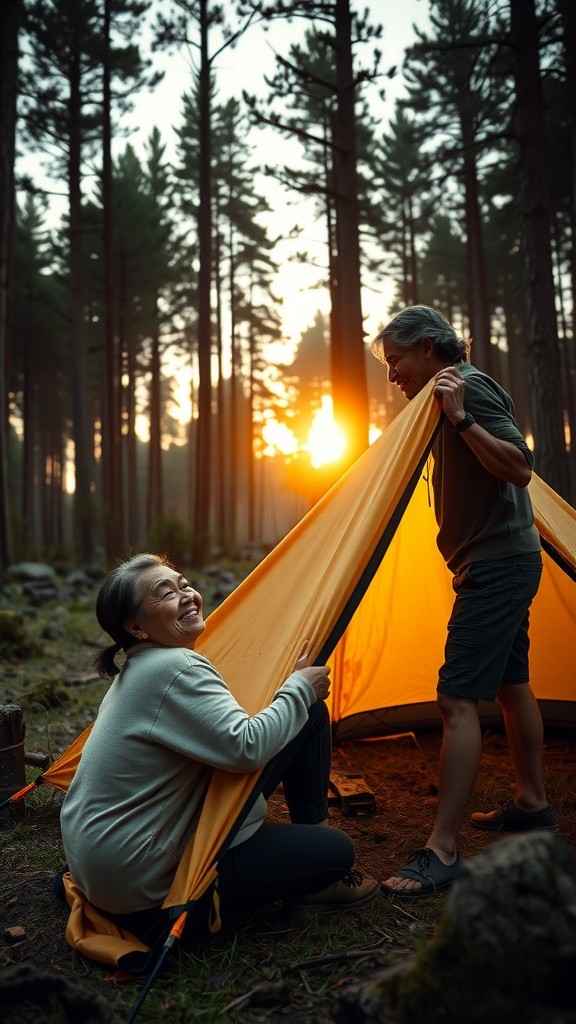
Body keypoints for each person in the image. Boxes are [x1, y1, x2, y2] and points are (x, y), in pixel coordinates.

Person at [59, 553, 378, 946]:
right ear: (136, 627)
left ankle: (314, 868)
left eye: (183, 584)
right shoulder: (175, 668)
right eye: (166, 593)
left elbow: (230, 740)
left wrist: (298, 700)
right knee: (336, 852)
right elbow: (246, 747)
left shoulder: (142, 667)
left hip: (109, 870)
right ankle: (320, 877)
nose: (187, 595)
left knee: (307, 715)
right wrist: (298, 688)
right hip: (146, 892)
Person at [371, 305, 556, 899]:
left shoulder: (466, 388)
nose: (392, 374)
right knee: (510, 684)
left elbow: (520, 468)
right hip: (501, 560)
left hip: (498, 566)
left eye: (396, 361)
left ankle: (442, 849)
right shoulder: (444, 395)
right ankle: (532, 804)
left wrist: (461, 420)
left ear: (428, 347)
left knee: (456, 698)